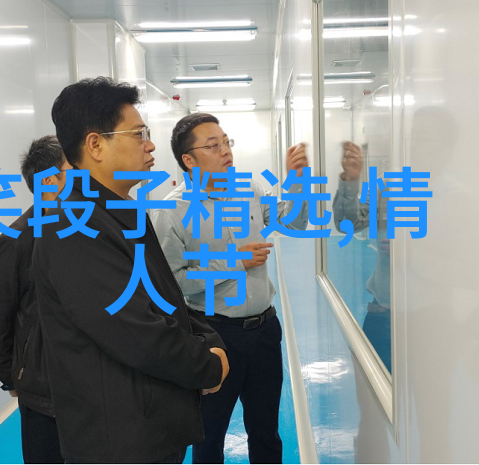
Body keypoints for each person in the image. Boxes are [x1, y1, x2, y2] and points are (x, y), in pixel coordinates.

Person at [33, 77, 229, 464]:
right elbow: (137, 333)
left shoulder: (122, 213)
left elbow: (164, 297)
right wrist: (206, 365)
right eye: (138, 134)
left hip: (151, 426)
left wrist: (209, 338)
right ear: (95, 145)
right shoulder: (73, 228)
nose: (150, 144)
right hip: (120, 442)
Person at [150, 113, 309, 464]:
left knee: (266, 433)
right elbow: (171, 283)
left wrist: (297, 181)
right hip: (213, 335)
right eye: (213, 145)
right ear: (188, 160)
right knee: (209, 437)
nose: (225, 151)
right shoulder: (171, 211)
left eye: (226, 142)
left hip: (264, 331)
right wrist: (233, 261)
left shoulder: (249, 190)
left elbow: (295, 222)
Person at [0, 135, 72, 463]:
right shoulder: (15, 241)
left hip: (90, 390)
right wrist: (12, 377)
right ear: (50, 181)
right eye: (76, 168)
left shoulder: (88, 232)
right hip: (44, 397)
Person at [332, 141, 391, 372]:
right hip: (382, 314)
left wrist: (414, 254)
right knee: (372, 387)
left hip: (429, 317)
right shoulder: (386, 187)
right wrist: (350, 180)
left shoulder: (454, 197)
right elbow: (347, 224)